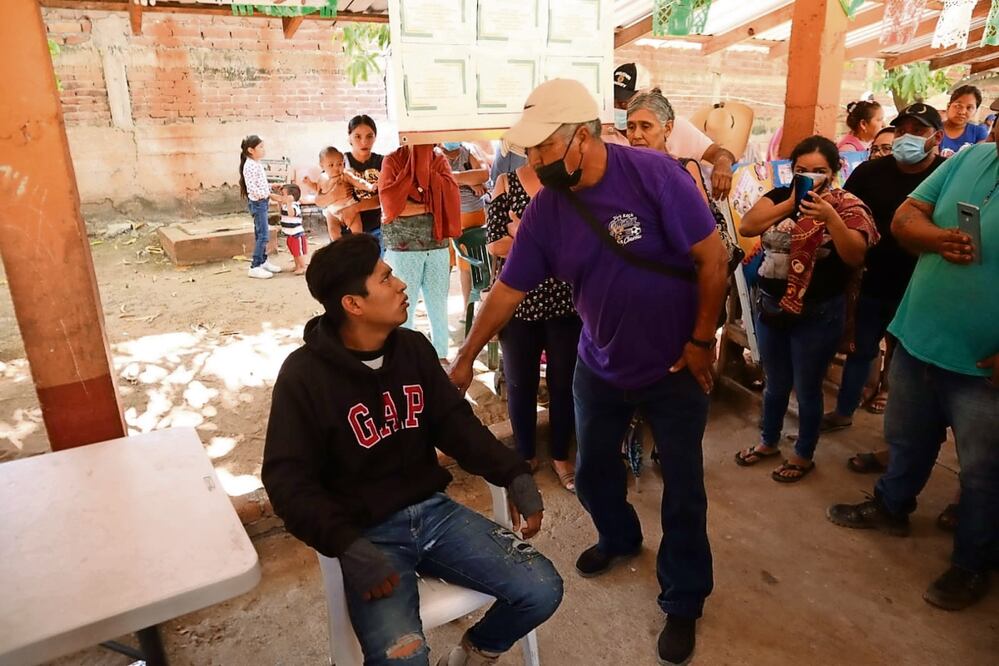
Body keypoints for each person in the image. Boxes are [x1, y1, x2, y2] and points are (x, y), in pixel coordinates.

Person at [449, 78, 730, 665]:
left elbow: (712, 258)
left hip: (675, 366)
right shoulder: (549, 209)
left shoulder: (655, 177)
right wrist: (466, 355)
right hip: (598, 365)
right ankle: (620, 537)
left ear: (583, 137)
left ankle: (683, 599)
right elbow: (506, 291)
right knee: (594, 473)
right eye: (529, 152)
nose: (535, 163)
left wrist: (702, 340)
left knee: (683, 491)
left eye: (545, 150)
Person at [262, 234, 562, 665]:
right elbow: (286, 482)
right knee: (401, 656)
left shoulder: (413, 349)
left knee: (542, 589)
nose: (402, 284)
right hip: (367, 535)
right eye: (386, 278)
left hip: (436, 514)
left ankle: (474, 654)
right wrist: (346, 545)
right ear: (354, 304)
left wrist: (513, 472)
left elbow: (455, 425)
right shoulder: (303, 377)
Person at [827, 139, 999, 611]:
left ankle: (972, 563)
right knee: (906, 438)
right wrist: (938, 238)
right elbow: (905, 218)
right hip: (919, 335)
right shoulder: (971, 156)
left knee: (984, 475)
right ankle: (892, 507)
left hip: (984, 368)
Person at [733, 136, 878, 482]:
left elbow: (855, 255)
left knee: (807, 386)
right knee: (775, 382)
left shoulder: (848, 206)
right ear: (791, 170)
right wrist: (792, 203)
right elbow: (748, 226)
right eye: (802, 170)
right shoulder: (780, 196)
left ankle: (803, 455)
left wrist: (829, 217)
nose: (811, 177)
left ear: (835, 171)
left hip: (818, 312)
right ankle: (768, 441)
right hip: (771, 307)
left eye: (819, 172)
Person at [821, 104, 946, 447]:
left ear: (936, 137)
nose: (907, 138)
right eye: (902, 130)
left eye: (917, 131)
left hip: (921, 285)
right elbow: (846, 214)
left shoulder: (947, 175)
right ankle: (845, 410)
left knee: (906, 357)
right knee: (860, 349)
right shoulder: (869, 173)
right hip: (871, 279)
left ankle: (891, 413)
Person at [486, 160, 581, 493]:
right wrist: (546, 241)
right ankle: (524, 456)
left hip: (565, 304)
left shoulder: (569, 183)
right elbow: (495, 244)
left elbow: (579, 242)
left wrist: (522, 233)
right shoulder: (505, 182)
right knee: (519, 383)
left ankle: (560, 455)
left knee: (564, 383)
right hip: (517, 304)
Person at [379, 145, 461, 360]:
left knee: (438, 305)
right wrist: (432, 203)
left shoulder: (439, 159)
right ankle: (403, 358)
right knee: (403, 305)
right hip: (403, 248)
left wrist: (414, 200)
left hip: (437, 245)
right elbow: (391, 205)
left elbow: (450, 196)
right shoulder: (393, 160)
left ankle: (441, 356)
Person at [607, 62, 736, 199]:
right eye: (614, 102)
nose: (617, 108)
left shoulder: (678, 127)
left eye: (624, 103)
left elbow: (718, 153)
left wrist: (722, 163)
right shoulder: (605, 136)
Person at [439, 142, 489, 310]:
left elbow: (484, 174)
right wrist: (470, 181)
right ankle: (440, 310)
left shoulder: (469, 149)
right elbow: (437, 179)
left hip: (472, 214)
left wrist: (455, 178)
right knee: (444, 265)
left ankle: (467, 309)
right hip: (446, 216)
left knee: (468, 264)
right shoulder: (435, 152)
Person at [239, 134, 283, 279]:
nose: (264, 149)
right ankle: (255, 266)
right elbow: (253, 189)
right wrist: (269, 195)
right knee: (263, 236)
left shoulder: (256, 163)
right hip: (258, 203)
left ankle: (263, 261)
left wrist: (270, 187)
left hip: (261, 202)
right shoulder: (250, 166)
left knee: (261, 234)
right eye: (261, 147)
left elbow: (260, 185)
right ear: (251, 150)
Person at [306, 146, 371, 241]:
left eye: (339, 164)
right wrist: (309, 184)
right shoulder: (322, 178)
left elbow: (358, 181)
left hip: (349, 205)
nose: (336, 168)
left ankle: (358, 242)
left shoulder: (345, 175)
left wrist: (369, 186)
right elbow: (318, 190)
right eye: (331, 165)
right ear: (322, 165)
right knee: (333, 230)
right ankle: (338, 244)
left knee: (357, 229)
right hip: (332, 210)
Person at [344, 115, 386, 250]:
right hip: (346, 231)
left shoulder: (383, 162)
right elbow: (321, 198)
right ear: (349, 137)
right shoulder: (339, 162)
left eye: (369, 136)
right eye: (357, 136)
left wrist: (356, 207)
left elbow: (386, 198)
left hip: (378, 230)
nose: (364, 142)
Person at [940, 85, 988, 157]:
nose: (962, 112)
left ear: (975, 111)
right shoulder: (934, 129)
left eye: (969, 108)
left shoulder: (979, 133)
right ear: (948, 106)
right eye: (958, 106)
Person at [278, 183, 308, 275]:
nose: (282, 197)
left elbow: (291, 214)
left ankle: (303, 266)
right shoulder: (286, 205)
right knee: (294, 252)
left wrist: (289, 203)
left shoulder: (295, 206)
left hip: (296, 233)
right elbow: (281, 212)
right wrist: (279, 202)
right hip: (290, 234)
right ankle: (297, 265)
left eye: (284, 195)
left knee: (298, 252)